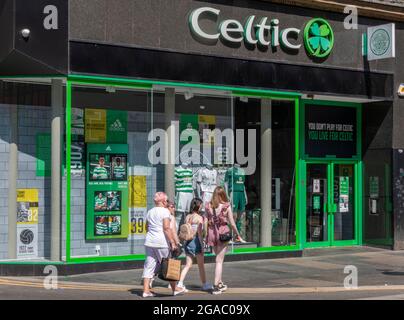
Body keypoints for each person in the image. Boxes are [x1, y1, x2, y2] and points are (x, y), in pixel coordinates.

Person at [142, 192, 186, 298]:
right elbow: (166, 228)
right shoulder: (165, 212)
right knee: (168, 266)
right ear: (163, 201)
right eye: (166, 201)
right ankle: (175, 289)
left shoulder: (150, 212)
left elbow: (146, 227)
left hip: (149, 242)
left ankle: (146, 290)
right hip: (161, 243)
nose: (166, 202)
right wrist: (172, 242)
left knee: (149, 266)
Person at [205, 186, 245, 295]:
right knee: (219, 261)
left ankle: (220, 282)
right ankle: (216, 286)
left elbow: (206, 221)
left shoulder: (208, 205)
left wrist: (204, 235)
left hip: (212, 233)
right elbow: (232, 223)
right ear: (223, 195)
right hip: (223, 234)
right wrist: (238, 235)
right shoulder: (226, 206)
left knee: (217, 258)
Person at [178, 198, 213, 292]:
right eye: (200, 204)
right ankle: (205, 284)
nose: (201, 206)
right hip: (196, 241)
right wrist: (202, 246)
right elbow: (201, 233)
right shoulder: (199, 218)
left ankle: (180, 283)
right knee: (201, 265)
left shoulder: (187, 216)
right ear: (198, 205)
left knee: (188, 265)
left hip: (187, 242)